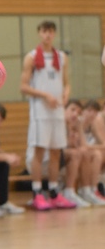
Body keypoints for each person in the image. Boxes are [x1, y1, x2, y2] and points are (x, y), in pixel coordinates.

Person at [20, 20, 76, 211]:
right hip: (40, 112)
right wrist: (45, 95)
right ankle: (37, 193)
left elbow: (66, 82)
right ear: (39, 33)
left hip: (57, 111)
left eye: (51, 31)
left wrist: (67, 93)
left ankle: (53, 192)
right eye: (44, 31)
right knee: (39, 152)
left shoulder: (61, 57)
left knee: (55, 152)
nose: (47, 35)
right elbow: (24, 86)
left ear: (54, 34)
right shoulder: (31, 57)